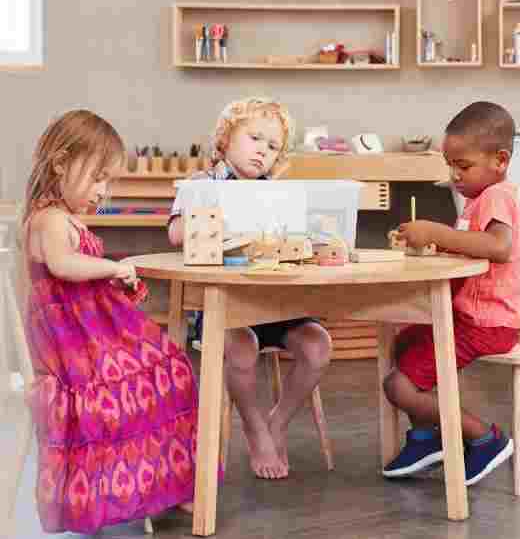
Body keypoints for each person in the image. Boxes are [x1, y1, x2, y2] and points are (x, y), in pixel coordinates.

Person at [22, 110, 196, 533]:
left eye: (108, 181)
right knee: (162, 374)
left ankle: (163, 483)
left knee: (171, 367)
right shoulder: (49, 219)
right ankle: (153, 486)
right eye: (98, 178)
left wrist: (113, 280)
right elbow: (63, 265)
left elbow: (76, 275)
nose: (103, 191)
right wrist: (112, 267)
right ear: (61, 163)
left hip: (86, 334)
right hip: (71, 346)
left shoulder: (62, 217)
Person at [168, 97, 331, 480]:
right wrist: (210, 220)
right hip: (224, 305)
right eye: (254, 138)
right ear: (226, 139)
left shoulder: (276, 192)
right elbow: (174, 233)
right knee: (241, 346)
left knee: (318, 346)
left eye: (272, 146)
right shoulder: (202, 186)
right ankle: (255, 425)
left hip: (274, 303)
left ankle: (278, 421)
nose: (262, 150)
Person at [382, 101, 520, 486]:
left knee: (398, 385)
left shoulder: (497, 196)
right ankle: (426, 438)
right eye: (450, 166)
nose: (455, 175)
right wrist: (433, 245)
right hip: (469, 316)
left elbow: (498, 247)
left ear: (500, 160)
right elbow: (470, 249)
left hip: (488, 323)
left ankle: (485, 438)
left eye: (463, 166)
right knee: (405, 342)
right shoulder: (478, 200)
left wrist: (436, 232)